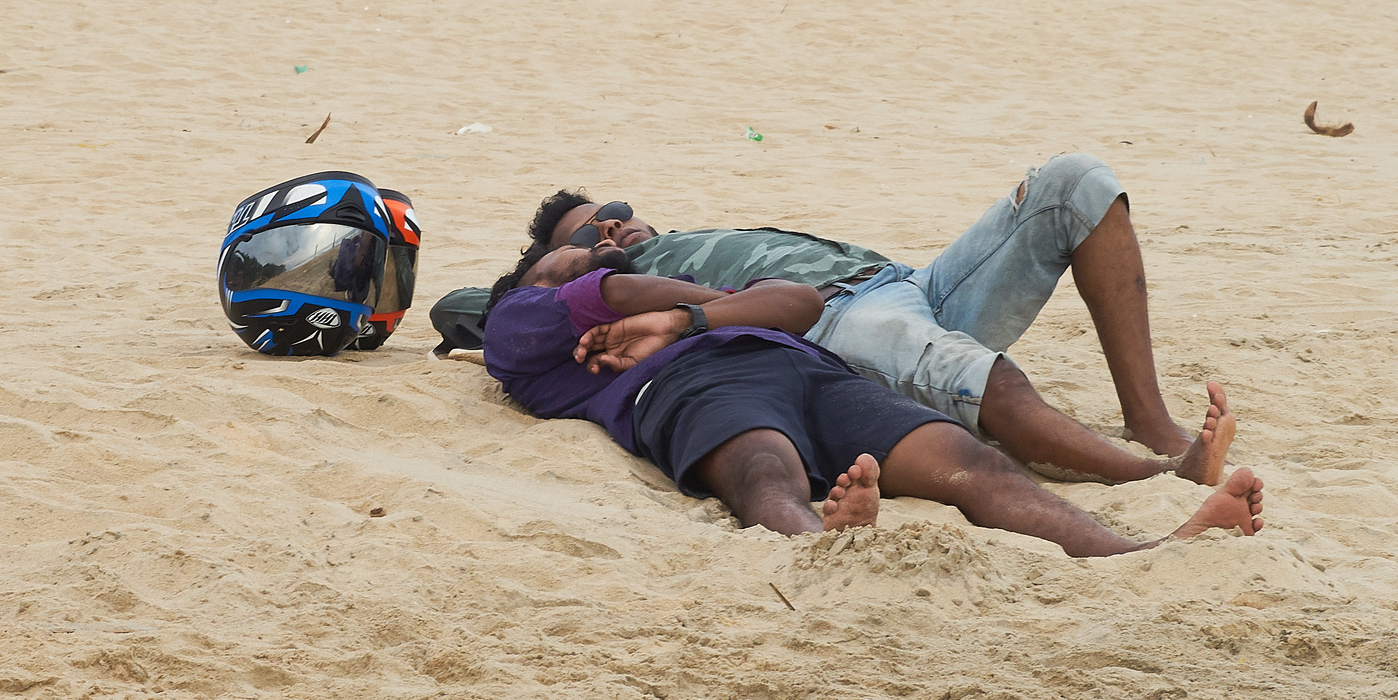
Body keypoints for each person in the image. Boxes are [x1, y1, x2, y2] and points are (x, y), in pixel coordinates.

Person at [511, 156, 1232, 488]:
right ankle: (1155, 475)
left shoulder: (698, 233)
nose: (609, 231)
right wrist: (589, 275)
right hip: (824, 326)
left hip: (905, 281)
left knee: (1075, 183)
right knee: (974, 376)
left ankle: (1151, 421)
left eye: (616, 212)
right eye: (584, 238)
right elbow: (470, 311)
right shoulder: (615, 286)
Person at [482, 252, 1263, 556]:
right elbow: (610, 287)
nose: (600, 246)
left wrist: (684, 317)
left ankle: (1141, 551)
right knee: (762, 466)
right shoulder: (519, 317)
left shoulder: (673, 302)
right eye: (574, 246)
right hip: (689, 388)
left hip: (808, 370)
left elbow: (796, 303)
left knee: (971, 463)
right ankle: (823, 541)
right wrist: (650, 306)